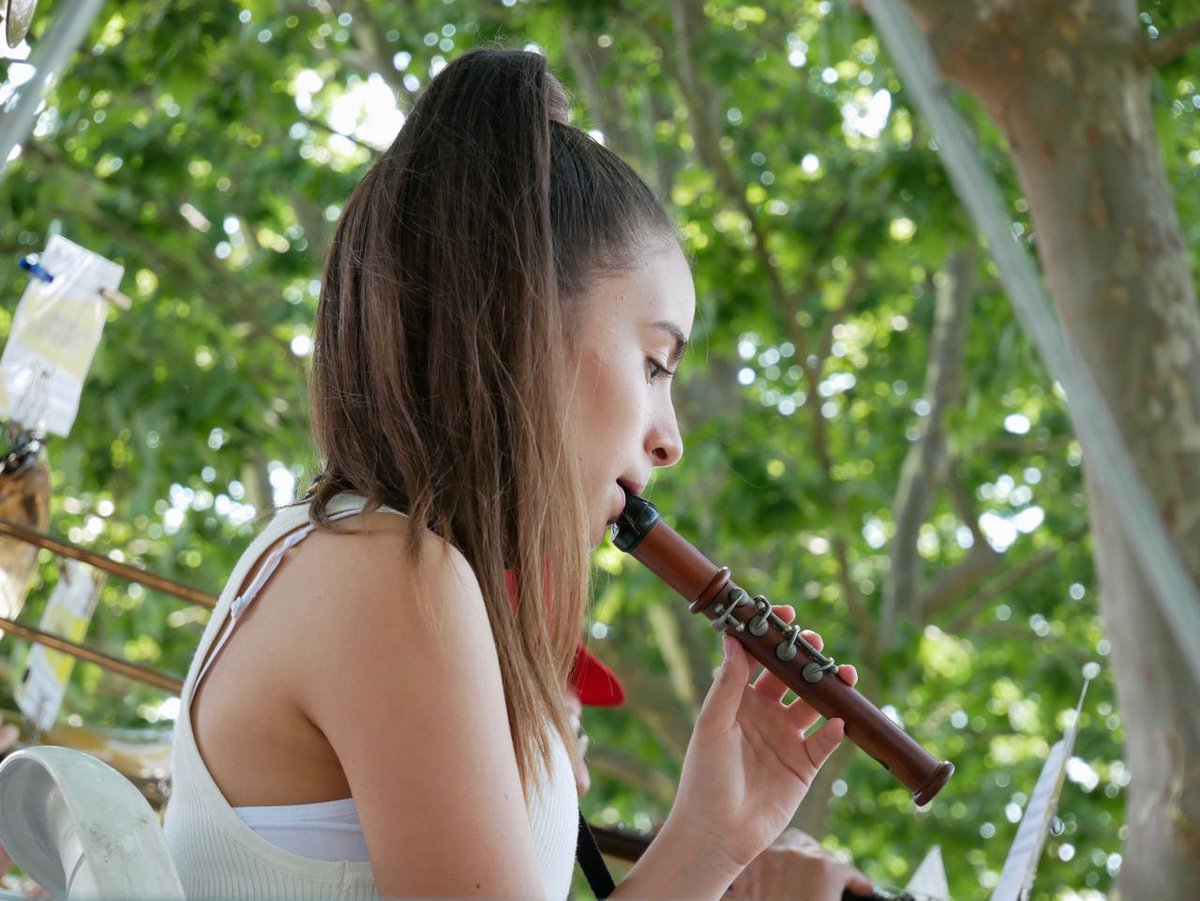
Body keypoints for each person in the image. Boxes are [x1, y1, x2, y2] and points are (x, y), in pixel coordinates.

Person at [163, 47, 871, 900]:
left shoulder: (347, 552)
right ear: (518, 324)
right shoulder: (387, 576)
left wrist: (711, 839)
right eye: (654, 363)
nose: (669, 438)